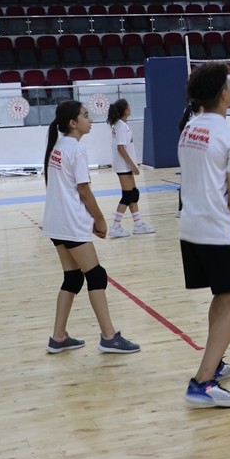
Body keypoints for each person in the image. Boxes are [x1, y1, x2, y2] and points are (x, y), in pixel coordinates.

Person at [178, 62, 230, 407]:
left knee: (221, 296)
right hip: (215, 228)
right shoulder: (229, 137)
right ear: (224, 94)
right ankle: (202, 382)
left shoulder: (189, 128)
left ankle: (215, 360)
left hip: (190, 228)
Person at [41, 100, 141, 355]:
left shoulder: (58, 146)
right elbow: (83, 190)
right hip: (69, 223)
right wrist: (99, 219)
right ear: (73, 123)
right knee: (96, 275)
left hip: (55, 222)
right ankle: (109, 337)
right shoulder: (75, 149)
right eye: (85, 115)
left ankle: (58, 337)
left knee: (73, 278)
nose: (90, 119)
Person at [107, 99, 155, 238]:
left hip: (123, 165)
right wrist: (133, 165)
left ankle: (138, 224)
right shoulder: (121, 126)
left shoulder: (119, 125)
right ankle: (115, 227)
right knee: (128, 196)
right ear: (125, 110)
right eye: (129, 106)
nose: (130, 108)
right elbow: (120, 147)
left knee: (134, 194)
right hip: (123, 166)